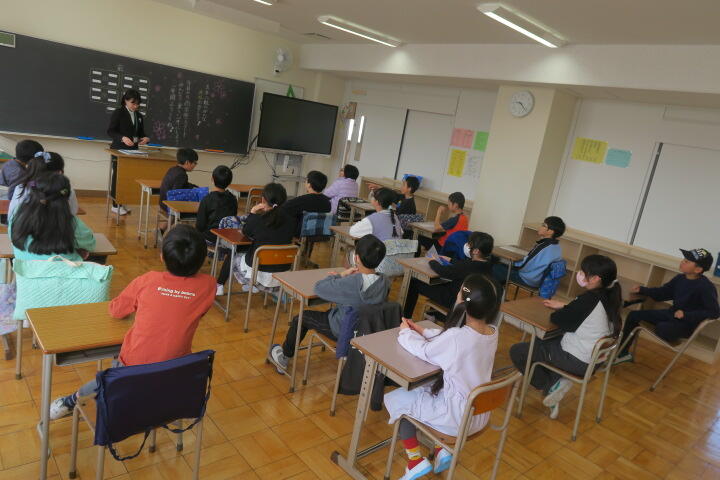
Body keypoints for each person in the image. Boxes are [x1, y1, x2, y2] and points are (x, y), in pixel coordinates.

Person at [48, 225, 216, 420]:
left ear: (162, 256)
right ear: (203, 259)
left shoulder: (147, 280)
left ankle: (71, 401)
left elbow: (116, 311)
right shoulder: (208, 286)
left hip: (133, 369)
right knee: (132, 377)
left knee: (110, 379)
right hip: (176, 372)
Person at [384, 273, 500, 479]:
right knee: (428, 391)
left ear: (463, 303)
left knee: (398, 399)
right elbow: (452, 342)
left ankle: (415, 461)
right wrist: (423, 331)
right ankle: (441, 449)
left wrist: (405, 332)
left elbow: (424, 351)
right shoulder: (492, 332)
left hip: (456, 419)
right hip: (478, 415)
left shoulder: (457, 337)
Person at [510, 254, 622, 419]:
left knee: (519, 351)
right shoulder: (609, 296)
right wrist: (568, 305)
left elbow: (558, 320)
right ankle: (556, 381)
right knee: (544, 342)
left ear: (595, 278)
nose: (580, 274)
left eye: (584, 272)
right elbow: (584, 312)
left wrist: (566, 308)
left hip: (576, 361)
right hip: (593, 361)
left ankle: (550, 386)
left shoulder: (589, 299)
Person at [270, 234, 390, 371]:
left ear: (356, 258)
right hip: (366, 330)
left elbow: (319, 288)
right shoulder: (384, 281)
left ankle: (284, 357)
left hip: (343, 329)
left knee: (301, 318)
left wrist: (340, 276)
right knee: (329, 311)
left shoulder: (351, 283)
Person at [616, 248, 719, 363]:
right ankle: (622, 353)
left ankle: (663, 327)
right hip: (670, 315)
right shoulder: (680, 278)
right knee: (633, 315)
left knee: (663, 328)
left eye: (687, 261)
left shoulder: (706, 287)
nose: (682, 262)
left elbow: (714, 312)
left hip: (686, 325)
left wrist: (686, 315)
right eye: (684, 259)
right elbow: (662, 293)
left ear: (698, 269)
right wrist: (642, 290)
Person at [215, 183, 294, 296]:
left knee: (233, 253)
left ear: (263, 200)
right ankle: (249, 286)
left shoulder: (258, 220)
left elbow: (245, 232)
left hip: (258, 278)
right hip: (282, 278)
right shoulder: (291, 221)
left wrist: (252, 212)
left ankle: (220, 285)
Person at [403, 231, 495, 319]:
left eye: (469, 244)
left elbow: (442, 271)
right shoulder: (487, 265)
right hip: (469, 301)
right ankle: (433, 315)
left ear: (476, 251)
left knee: (413, 283)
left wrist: (432, 261)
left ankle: (406, 317)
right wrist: (449, 260)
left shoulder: (468, 266)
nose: (467, 246)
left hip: (453, 300)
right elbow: (462, 266)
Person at [10, 173, 95, 262]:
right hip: (65, 269)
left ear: (33, 192)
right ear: (67, 196)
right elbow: (91, 245)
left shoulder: (17, 215)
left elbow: (13, 237)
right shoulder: (73, 224)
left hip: (25, 269)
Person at [107, 89, 150, 215]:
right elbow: (110, 131)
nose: (135, 106)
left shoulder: (139, 116)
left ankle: (123, 202)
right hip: (119, 150)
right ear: (125, 100)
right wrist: (122, 138)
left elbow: (141, 133)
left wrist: (146, 139)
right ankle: (115, 205)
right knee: (118, 177)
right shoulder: (119, 112)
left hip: (133, 151)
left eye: (138, 104)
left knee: (129, 177)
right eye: (133, 103)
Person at [492, 216, 565, 288]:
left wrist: (508, 263)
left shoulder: (543, 246)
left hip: (528, 279)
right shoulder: (556, 246)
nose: (540, 227)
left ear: (550, 231)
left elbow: (524, 266)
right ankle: (500, 288)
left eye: (544, 225)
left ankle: (496, 291)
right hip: (539, 279)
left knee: (495, 266)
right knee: (501, 264)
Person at [9, 151, 79, 218]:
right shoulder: (66, 190)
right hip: (60, 225)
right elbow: (73, 213)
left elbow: (12, 215)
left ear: (33, 169)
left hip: (21, 225)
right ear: (59, 172)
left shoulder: (22, 187)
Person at [196, 165, 237, 245]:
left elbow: (200, 225)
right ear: (229, 182)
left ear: (212, 179)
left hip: (210, 238)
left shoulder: (207, 199)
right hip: (226, 238)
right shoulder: (233, 199)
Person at [158, 148, 199, 231]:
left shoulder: (173, 169)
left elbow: (184, 184)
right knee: (196, 209)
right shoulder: (182, 175)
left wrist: (194, 187)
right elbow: (176, 194)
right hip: (169, 205)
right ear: (187, 162)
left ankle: (161, 230)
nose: (195, 165)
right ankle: (187, 232)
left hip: (162, 202)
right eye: (195, 163)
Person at [281, 170, 331, 235]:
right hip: (319, 235)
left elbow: (284, 208)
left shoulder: (302, 200)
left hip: (300, 234)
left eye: (306, 180)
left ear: (309, 185)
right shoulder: (327, 202)